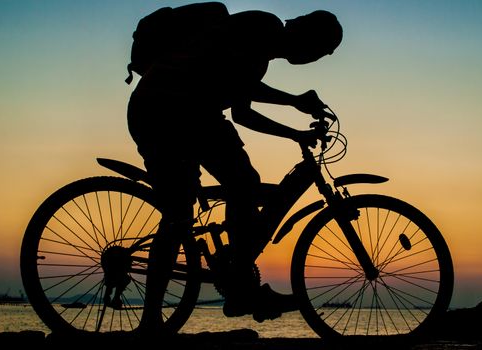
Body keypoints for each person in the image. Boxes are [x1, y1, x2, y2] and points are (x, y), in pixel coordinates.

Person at [127, 2, 343, 324]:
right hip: (171, 108)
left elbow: (242, 110)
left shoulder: (260, 57)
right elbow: (244, 94)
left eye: (322, 54)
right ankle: (234, 289)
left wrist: (294, 128)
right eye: (319, 47)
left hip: (181, 111)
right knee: (209, 199)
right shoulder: (263, 26)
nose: (314, 56)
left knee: (202, 202)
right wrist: (294, 104)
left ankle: (231, 286)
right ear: (301, 27)